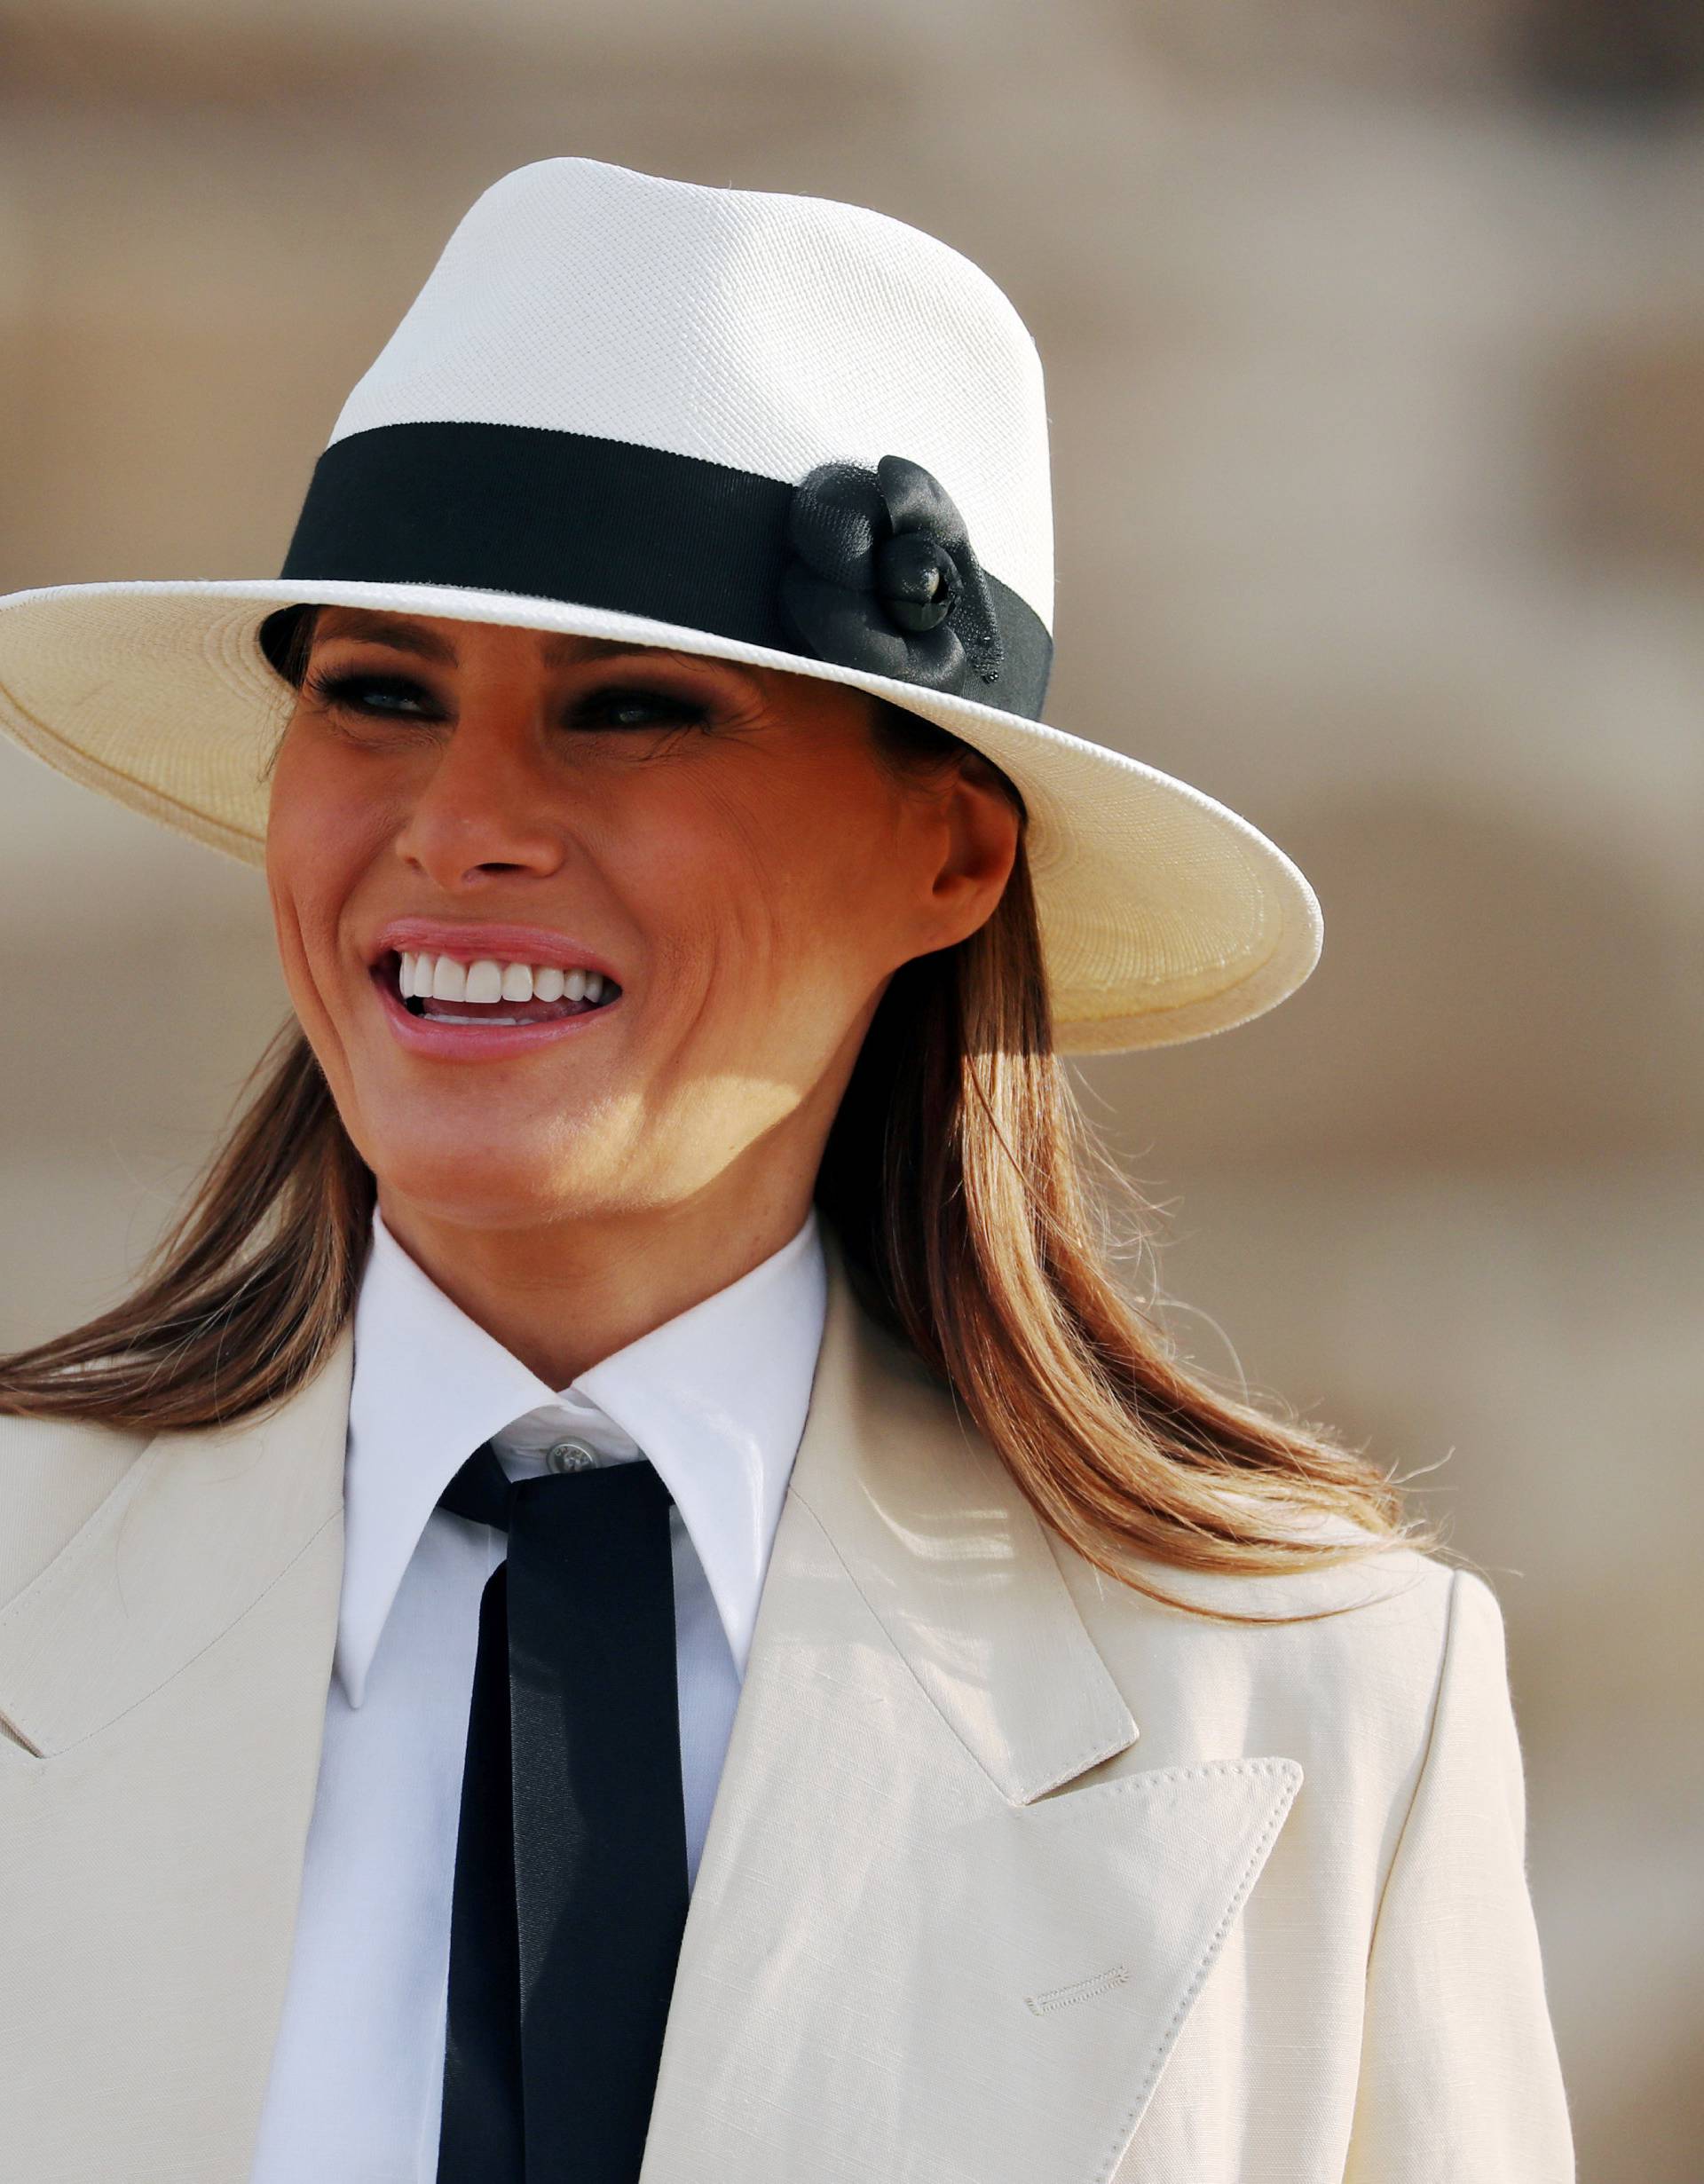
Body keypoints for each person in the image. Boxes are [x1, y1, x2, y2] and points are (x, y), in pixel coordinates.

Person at [0, 157, 1573, 2183]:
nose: (461, 821)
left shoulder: (1325, 1703)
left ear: (950, 854)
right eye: (378, 692)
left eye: (634, 710)